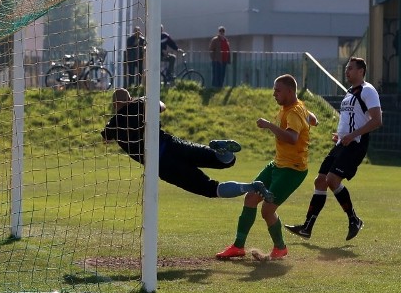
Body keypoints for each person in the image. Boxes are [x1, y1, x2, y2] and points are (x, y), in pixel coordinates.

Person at [101, 88, 274, 201]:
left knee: (209, 188)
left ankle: (250, 187)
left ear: (114, 105)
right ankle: (222, 150)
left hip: (163, 165)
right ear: (130, 98)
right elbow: (162, 106)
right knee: (226, 161)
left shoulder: (113, 125)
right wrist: (145, 99)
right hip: (174, 145)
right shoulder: (139, 105)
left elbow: (105, 139)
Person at [216, 74, 316, 260]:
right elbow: (311, 116)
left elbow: (292, 138)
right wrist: (311, 119)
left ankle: (280, 248)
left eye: (278, 90)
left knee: (267, 210)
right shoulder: (296, 106)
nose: (274, 94)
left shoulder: (293, 112)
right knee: (250, 198)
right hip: (277, 164)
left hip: (292, 170)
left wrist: (270, 125)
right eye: (274, 90)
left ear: (289, 91)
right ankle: (238, 247)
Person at [285, 57, 382, 241]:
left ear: (361, 71)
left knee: (331, 179)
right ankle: (307, 228)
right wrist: (341, 135)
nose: (347, 71)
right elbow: (352, 119)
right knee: (320, 181)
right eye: (346, 68)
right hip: (342, 143)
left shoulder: (368, 90)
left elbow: (377, 121)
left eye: (351, 68)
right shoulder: (349, 92)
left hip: (356, 144)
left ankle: (354, 220)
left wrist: (352, 135)